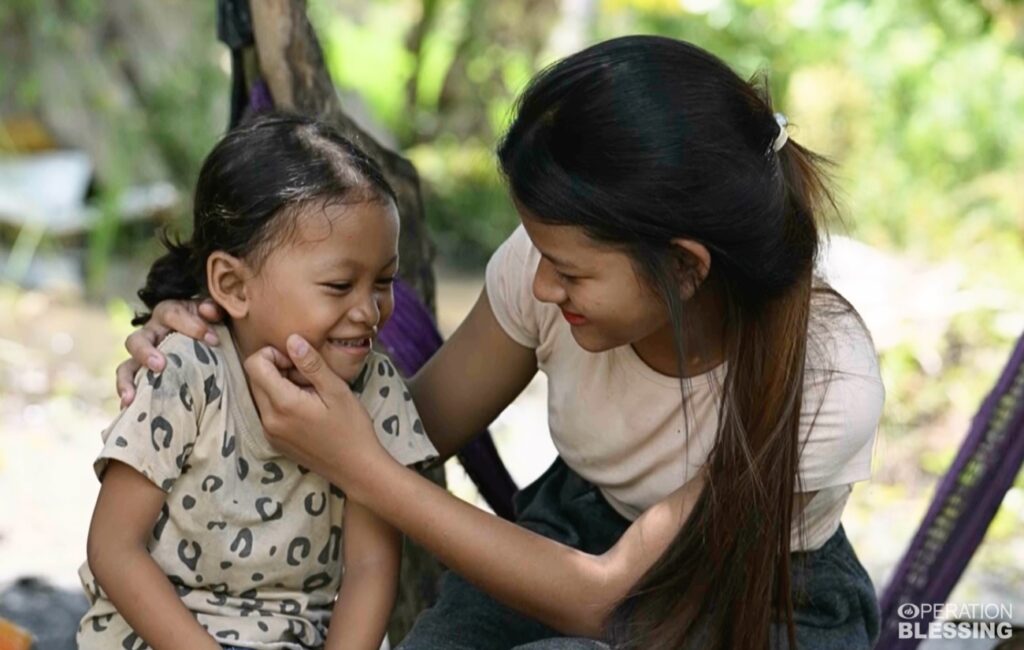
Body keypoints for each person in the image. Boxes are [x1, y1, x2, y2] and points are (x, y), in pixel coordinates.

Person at [116, 36, 884, 649]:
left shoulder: (824, 380)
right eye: (540, 254)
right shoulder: (550, 269)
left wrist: (362, 466)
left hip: (767, 593)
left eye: (570, 272)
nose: (541, 285)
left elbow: (598, 598)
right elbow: (411, 426)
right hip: (574, 526)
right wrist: (216, 343)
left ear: (684, 268)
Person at [80, 113, 438, 650]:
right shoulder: (185, 372)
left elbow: (369, 568)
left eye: (383, 282)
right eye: (340, 285)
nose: (369, 311)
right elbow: (113, 549)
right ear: (232, 285)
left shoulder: (376, 389)